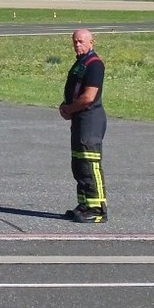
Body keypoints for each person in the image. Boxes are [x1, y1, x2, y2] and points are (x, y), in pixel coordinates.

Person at [59, 28, 107, 223]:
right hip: (79, 120)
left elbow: (88, 97)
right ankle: (85, 204)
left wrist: (69, 109)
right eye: (75, 42)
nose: (77, 45)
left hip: (90, 120)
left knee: (89, 164)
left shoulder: (94, 65)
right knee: (78, 165)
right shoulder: (81, 63)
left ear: (91, 42)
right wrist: (67, 106)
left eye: (81, 41)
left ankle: (97, 208)